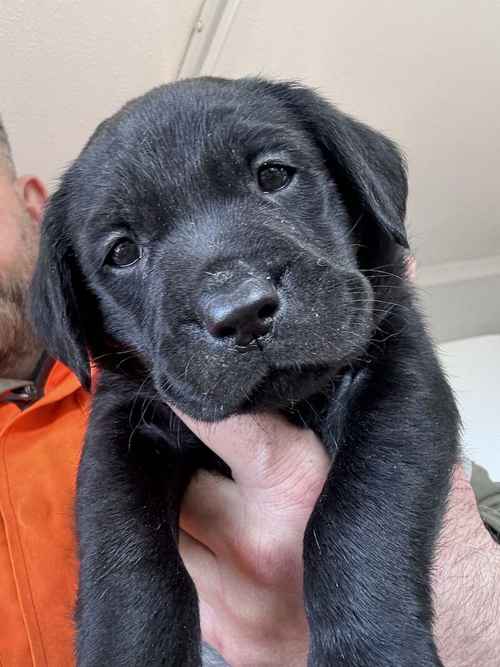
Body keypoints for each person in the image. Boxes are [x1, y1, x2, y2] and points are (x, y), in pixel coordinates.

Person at [0, 113, 498, 667]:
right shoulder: (129, 386)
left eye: (274, 176)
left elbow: (431, 442)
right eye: (122, 253)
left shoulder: (379, 328)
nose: (234, 300)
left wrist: (375, 626)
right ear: (80, 311)